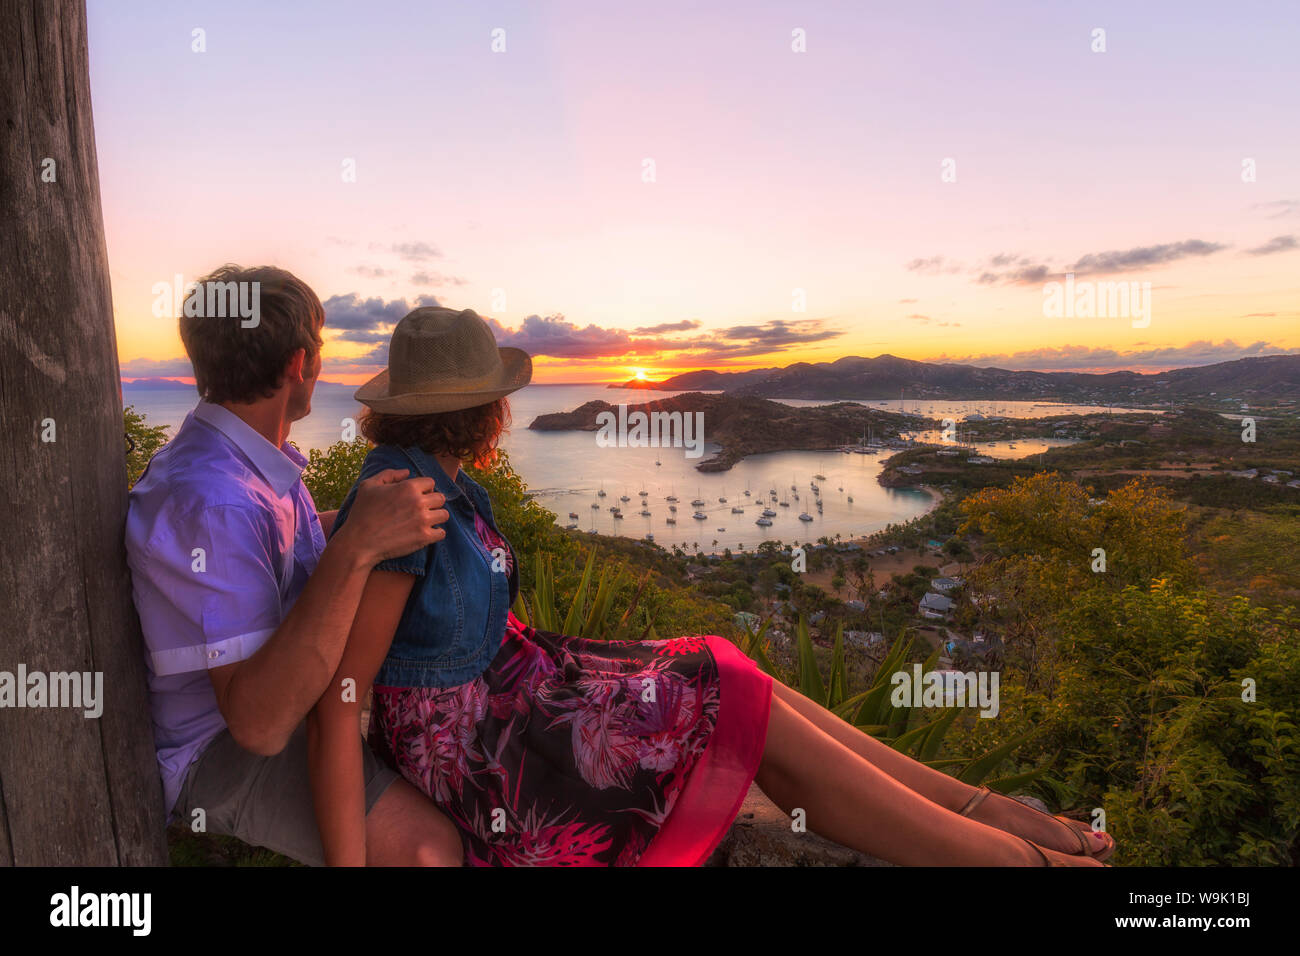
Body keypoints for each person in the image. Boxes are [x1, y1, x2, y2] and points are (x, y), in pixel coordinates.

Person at [310, 306, 1116, 867]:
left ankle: (976, 809)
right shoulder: (400, 500)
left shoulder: (439, 479)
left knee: (727, 664)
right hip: (478, 750)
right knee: (724, 692)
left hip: (512, 692)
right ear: (486, 407)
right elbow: (346, 690)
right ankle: (1004, 857)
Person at [126, 265, 463, 866]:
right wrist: (358, 547)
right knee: (428, 852)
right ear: (297, 364)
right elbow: (258, 724)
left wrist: (367, 518)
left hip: (264, 697)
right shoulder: (215, 499)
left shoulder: (245, 456)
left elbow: (279, 553)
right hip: (218, 744)